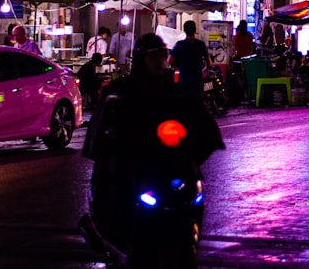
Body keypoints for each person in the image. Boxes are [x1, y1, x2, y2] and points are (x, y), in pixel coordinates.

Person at [82, 33, 224, 248]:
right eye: (153, 56)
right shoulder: (122, 91)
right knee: (113, 195)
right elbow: (102, 136)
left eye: (162, 55)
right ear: (142, 60)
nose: (159, 61)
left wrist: (192, 156)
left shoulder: (175, 92)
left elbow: (201, 126)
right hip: (135, 168)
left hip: (170, 168)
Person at [170, 20, 211, 97]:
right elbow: (208, 63)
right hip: (197, 79)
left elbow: (170, 60)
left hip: (183, 78)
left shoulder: (179, 44)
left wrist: (178, 67)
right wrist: (204, 71)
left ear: (184, 30)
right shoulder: (200, 44)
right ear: (195, 30)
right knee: (197, 102)